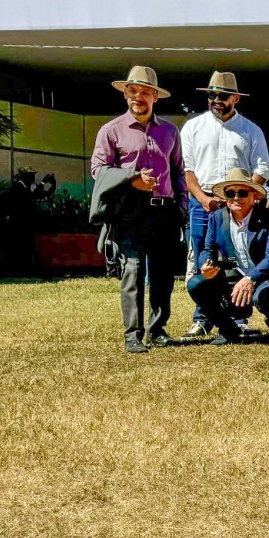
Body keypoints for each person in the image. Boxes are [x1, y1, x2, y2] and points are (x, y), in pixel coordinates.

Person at [89, 65, 186, 353]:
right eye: (132, 91)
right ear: (125, 95)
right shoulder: (110, 131)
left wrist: (181, 206)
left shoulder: (170, 131)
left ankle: (157, 330)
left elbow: (179, 170)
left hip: (164, 210)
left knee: (163, 274)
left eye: (144, 92)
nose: (138, 97)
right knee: (132, 269)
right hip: (129, 211)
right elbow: (98, 169)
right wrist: (132, 178)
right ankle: (133, 335)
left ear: (155, 96)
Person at [180, 70, 269, 337]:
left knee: (237, 259)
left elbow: (262, 168)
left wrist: (242, 195)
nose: (217, 100)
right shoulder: (193, 127)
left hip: (239, 203)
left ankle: (238, 317)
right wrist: (204, 199)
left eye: (223, 95)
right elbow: (187, 170)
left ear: (236, 99)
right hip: (203, 201)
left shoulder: (250, 130)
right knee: (204, 262)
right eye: (212, 95)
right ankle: (203, 317)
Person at [185, 167, 269, 345]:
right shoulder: (217, 217)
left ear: (254, 195)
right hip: (230, 278)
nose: (236, 198)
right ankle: (227, 329)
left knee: (267, 295)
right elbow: (207, 250)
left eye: (242, 192)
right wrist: (205, 265)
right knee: (196, 283)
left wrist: (251, 278)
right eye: (230, 193)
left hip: (263, 278)